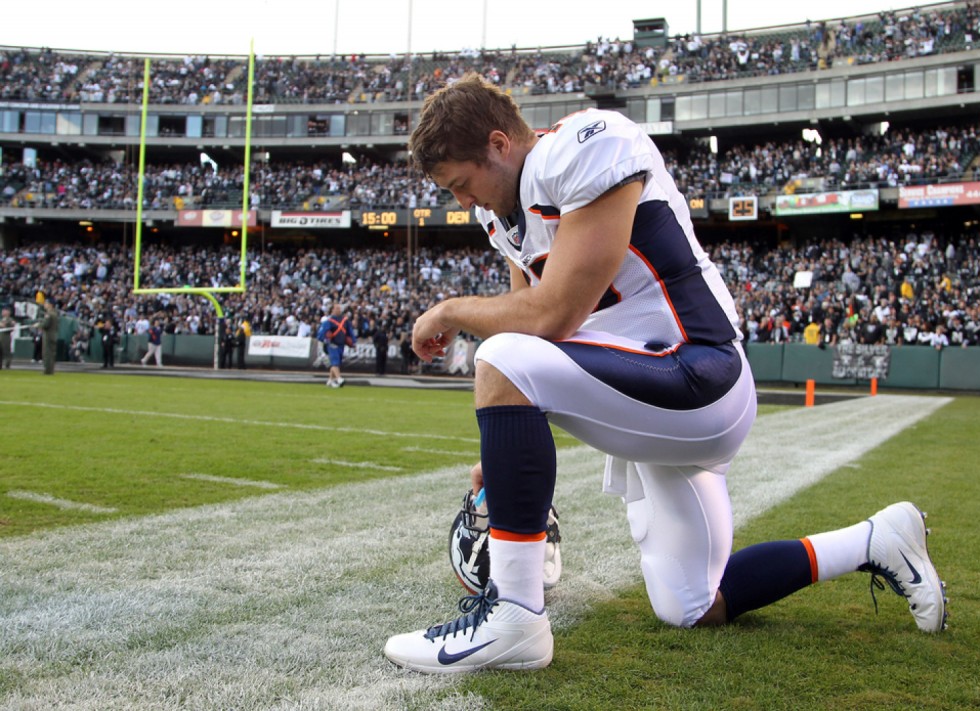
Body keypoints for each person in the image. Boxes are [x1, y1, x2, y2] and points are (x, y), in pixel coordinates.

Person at [383, 73, 947, 674]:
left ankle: (514, 617)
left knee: (500, 359)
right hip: (651, 396)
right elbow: (529, 328)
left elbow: (550, 317)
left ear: (499, 144)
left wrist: (448, 311)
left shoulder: (583, 146)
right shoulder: (503, 216)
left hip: (700, 375)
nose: (464, 202)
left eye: (463, 184)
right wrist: (499, 463)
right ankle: (876, 539)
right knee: (692, 605)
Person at [316, 304, 355, 388]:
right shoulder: (328, 321)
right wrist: (326, 340)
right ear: (332, 310)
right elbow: (321, 334)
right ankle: (339, 378)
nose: (339, 310)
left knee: (337, 363)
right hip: (332, 344)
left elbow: (350, 332)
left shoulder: (345, 321)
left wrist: (353, 342)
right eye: (337, 308)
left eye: (339, 308)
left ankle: (330, 380)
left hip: (341, 344)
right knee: (335, 361)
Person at [39, 300, 59, 375]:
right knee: (51, 353)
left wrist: (38, 325)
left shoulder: (49, 314)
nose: (45, 305)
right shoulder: (55, 313)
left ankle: (47, 370)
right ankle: (51, 370)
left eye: (46, 303)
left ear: (50, 305)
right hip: (54, 334)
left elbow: (46, 324)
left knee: (47, 353)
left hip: (48, 335)